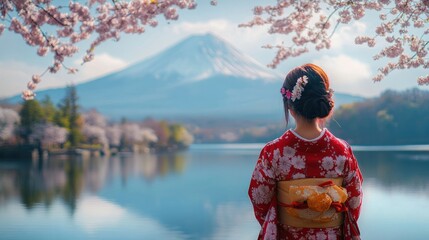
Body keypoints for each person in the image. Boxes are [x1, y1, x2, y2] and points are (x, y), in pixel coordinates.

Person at [248, 63, 363, 240]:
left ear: (289, 106)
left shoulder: (274, 152)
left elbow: (260, 200)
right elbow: (354, 201)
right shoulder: (342, 150)